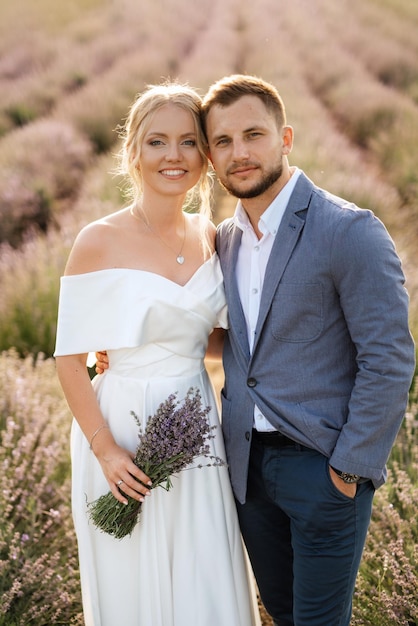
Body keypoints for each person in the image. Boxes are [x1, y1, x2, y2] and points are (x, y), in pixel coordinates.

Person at [199, 74, 416, 626]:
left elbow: (388, 359)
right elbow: (233, 342)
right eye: (222, 142)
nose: (239, 153)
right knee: (280, 612)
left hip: (322, 470)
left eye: (254, 134)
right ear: (209, 155)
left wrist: (348, 469)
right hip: (246, 470)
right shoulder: (223, 240)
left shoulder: (350, 231)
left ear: (285, 138)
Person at [54, 82, 260, 626]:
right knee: (132, 581)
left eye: (188, 142)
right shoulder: (97, 241)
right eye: (157, 142)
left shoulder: (212, 237)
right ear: (134, 154)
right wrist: (107, 452)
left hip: (195, 423)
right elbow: (69, 360)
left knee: (205, 568)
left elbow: (206, 343)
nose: (174, 156)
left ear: (206, 157)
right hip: (119, 427)